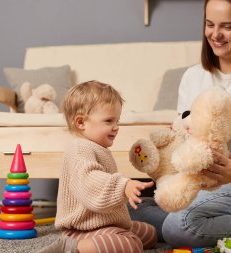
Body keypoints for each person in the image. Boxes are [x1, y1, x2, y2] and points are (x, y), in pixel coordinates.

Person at [128, 0, 231, 248]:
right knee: (126, 210)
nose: (215, 34)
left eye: (227, 26)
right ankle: (218, 221)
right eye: (209, 24)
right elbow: (183, 137)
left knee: (179, 224)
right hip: (202, 185)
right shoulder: (192, 77)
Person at [37, 80, 157, 253]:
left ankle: (104, 241)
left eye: (117, 121)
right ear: (81, 122)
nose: (116, 127)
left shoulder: (96, 147)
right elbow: (91, 183)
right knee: (132, 244)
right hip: (82, 229)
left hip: (103, 222)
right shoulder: (79, 148)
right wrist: (123, 186)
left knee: (149, 233)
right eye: (108, 121)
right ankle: (71, 248)